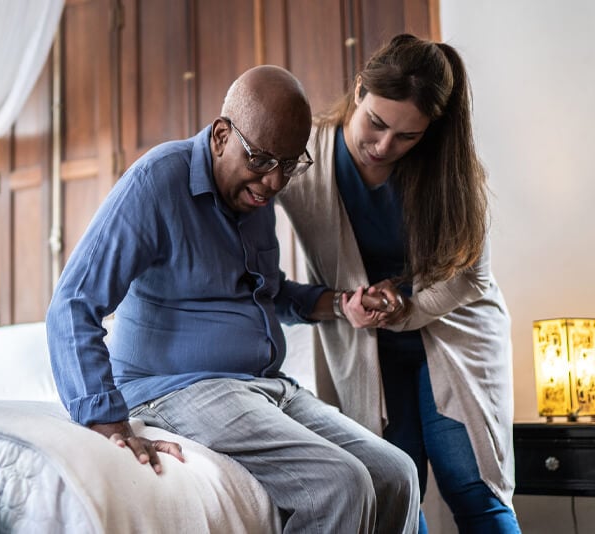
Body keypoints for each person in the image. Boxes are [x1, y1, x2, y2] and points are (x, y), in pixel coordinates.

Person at [46, 64, 420, 533]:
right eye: (262, 161)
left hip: (266, 386)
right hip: (177, 387)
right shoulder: (157, 183)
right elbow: (73, 302)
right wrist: (106, 419)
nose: (274, 183)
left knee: (396, 473)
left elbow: (271, 294)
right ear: (222, 135)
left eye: (289, 165)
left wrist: (340, 303)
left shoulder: (253, 199)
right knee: (341, 484)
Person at [277, 34, 521, 533]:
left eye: (406, 137)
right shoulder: (304, 159)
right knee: (394, 490)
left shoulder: (448, 170)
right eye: (377, 123)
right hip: (366, 341)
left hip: (453, 330)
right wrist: (347, 304)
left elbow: (470, 274)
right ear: (360, 88)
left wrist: (405, 310)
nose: (384, 147)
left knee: (471, 484)